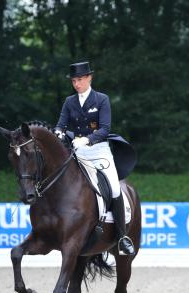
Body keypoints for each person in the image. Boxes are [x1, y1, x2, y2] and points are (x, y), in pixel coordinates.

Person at [54, 61, 135, 256]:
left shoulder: (101, 99)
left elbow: (105, 128)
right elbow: (61, 125)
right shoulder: (69, 102)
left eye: (80, 79)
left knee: (115, 188)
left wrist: (87, 140)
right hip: (78, 153)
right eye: (74, 80)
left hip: (99, 151)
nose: (77, 84)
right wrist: (57, 133)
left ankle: (122, 237)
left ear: (89, 78)